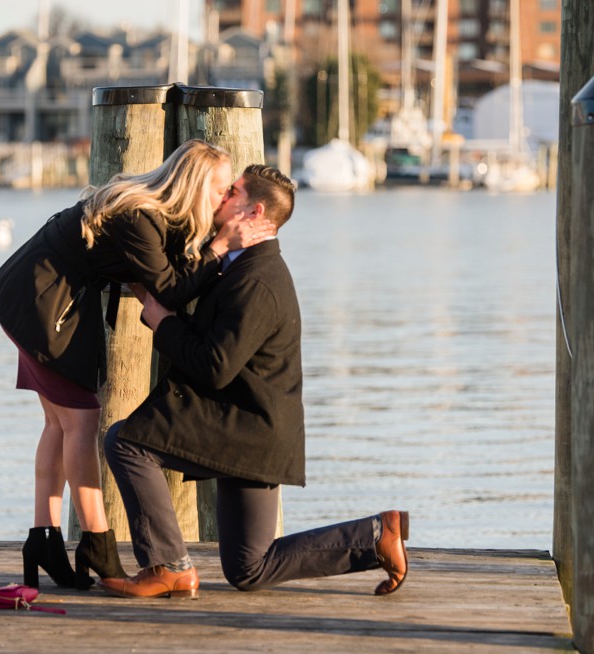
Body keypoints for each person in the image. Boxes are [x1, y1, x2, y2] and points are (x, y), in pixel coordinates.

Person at [101, 164, 410, 599]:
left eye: (232, 192)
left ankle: (169, 567)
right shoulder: (236, 265)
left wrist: (163, 323)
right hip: (248, 422)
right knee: (249, 568)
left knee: (126, 442)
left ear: (253, 210)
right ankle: (375, 536)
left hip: (248, 427)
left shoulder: (258, 280)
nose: (222, 196)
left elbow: (214, 365)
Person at [0, 140, 276, 591]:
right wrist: (219, 248)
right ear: (196, 186)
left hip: (38, 292)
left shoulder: (156, 216)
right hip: (42, 301)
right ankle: (97, 542)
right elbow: (172, 291)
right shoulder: (139, 217)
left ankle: (43, 538)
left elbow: (167, 278)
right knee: (82, 421)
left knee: (59, 425)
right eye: (221, 190)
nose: (225, 200)